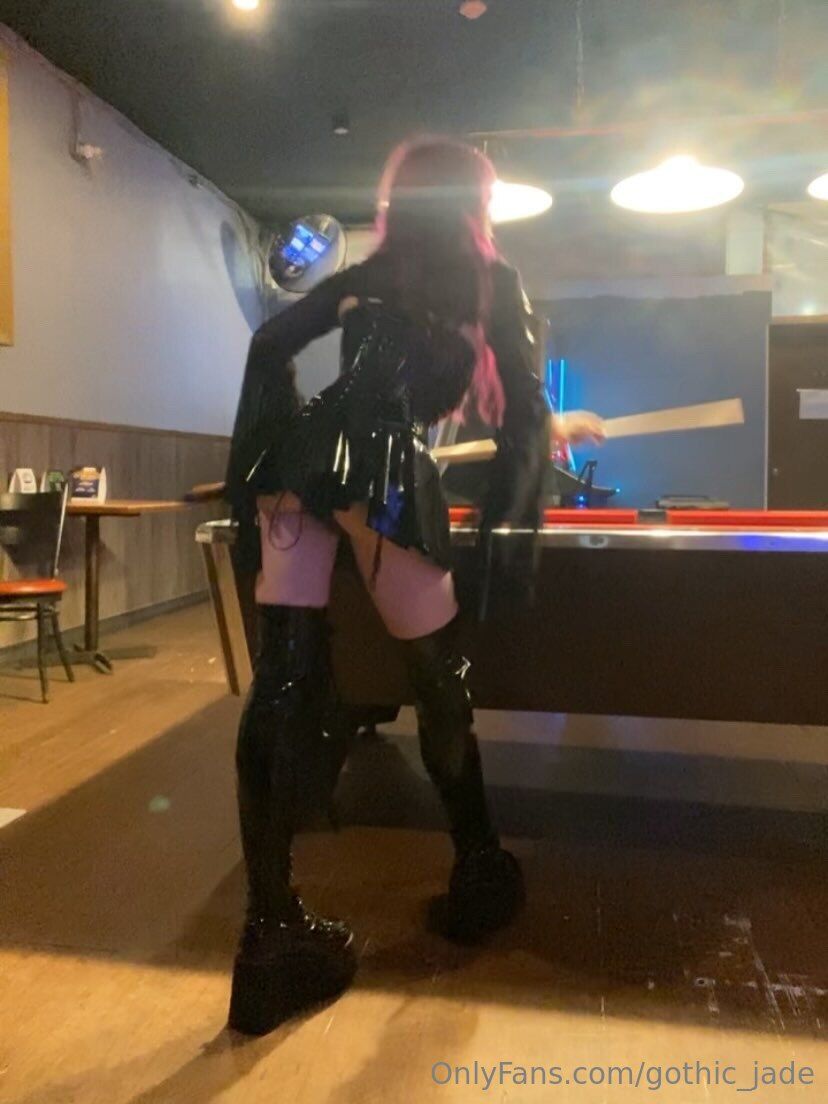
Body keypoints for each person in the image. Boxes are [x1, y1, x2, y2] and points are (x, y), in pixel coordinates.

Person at [224, 136, 604, 1035]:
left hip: (295, 467)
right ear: (473, 201)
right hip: (383, 472)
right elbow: (521, 410)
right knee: (440, 679)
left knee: (280, 681)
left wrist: (269, 456)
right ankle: (478, 869)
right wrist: (508, 534)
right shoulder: (489, 278)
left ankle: (269, 929)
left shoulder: (370, 271)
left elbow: (268, 344)